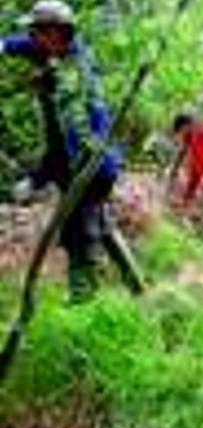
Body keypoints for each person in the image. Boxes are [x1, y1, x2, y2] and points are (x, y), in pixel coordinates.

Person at [2, 0, 144, 303]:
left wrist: (37, 180)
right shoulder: (57, 47)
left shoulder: (73, 86)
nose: (32, 39)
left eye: (36, 32)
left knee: (80, 233)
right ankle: (138, 288)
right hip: (82, 162)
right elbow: (21, 45)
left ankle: (83, 303)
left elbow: (63, 149)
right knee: (103, 226)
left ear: (55, 33)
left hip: (91, 168)